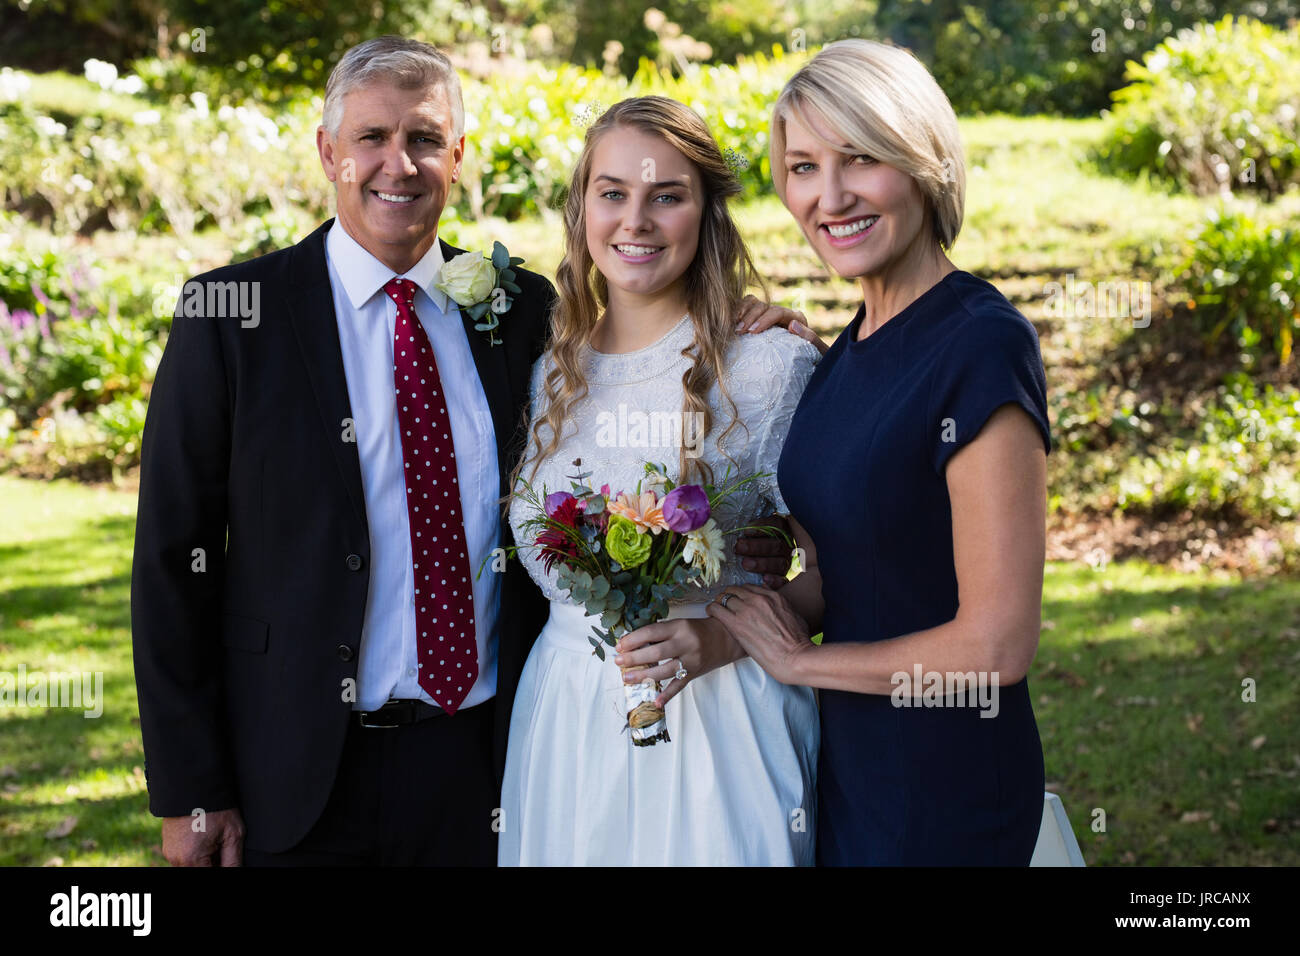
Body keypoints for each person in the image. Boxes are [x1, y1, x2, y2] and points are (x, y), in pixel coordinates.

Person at [130, 36, 794, 866]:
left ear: (459, 156)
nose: (397, 165)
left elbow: (641, 356)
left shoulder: (523, 316)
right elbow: (170, 561)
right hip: (295, 770)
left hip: (486, 758)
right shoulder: (233, 317)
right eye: (371, 137)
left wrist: (750, 325)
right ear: (327, 151)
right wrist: (193, 788)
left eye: (424, 139)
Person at [713, 39, 1052, 865]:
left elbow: (995, 651)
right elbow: (853, 569)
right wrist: (731, 608)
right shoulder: (842, 351)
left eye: (859, 158)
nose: (828, 197)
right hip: (852, 764)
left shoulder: (979, 345)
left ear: (924, 161)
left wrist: (801, 664)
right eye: (801, 168)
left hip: (946, 783)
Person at [497, 96, 822, 866]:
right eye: (613, 193)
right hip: (567, 723)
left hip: (724, 722)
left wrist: (721, 636)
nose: (635, 221)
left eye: (666, 196)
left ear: (706, 213)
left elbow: (848, 577)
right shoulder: (549, 369)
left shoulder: (770, 368)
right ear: (583, 210)